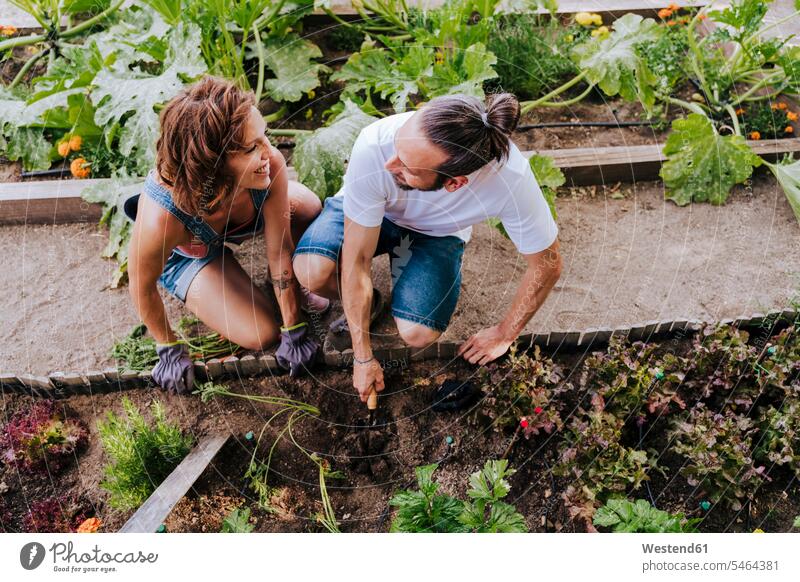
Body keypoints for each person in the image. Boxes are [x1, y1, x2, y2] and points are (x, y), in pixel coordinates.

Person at [293, 93, 563, 405]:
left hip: (436, 233)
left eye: (405, 166)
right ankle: (374, 302)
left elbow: (547, 263)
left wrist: (505, 333)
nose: (389, 163)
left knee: (417, 334)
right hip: (370, 212)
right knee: (311, 272)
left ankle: (402, 274)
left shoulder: (512, 182)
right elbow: (358, 260)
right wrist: (363, 357)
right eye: (398, 147)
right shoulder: (374, 145)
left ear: (455, 184)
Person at [125, 76, 327, 394]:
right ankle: (211, 275)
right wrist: (168, 347)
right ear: (213, 164)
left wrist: (294, 325)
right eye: (251, 148)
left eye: (265, 137)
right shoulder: (162, 216)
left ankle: (298, 290)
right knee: (260, 335)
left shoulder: (269, 164)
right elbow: (140, 283)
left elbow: (278, 252)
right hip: (189, 252)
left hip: (241, 218)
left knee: (307, 206)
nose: (270, 152)